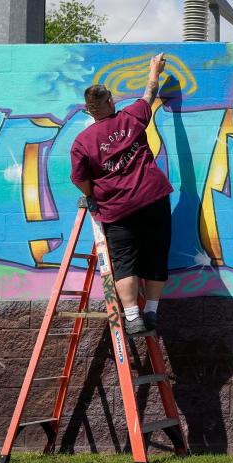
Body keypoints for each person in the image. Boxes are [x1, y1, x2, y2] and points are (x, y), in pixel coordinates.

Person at [70, 53, 174, 335]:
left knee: (124, 260)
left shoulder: (82, 142)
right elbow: (149, 94)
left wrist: (95, 193)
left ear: (89, 110)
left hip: (117, 208)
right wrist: (155, 69)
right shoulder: (131, 117)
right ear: (111, 102)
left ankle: (132, 317)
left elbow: (79, 179)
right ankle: (151, 313)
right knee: (155, 254)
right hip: (153, 198)